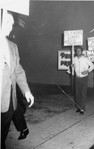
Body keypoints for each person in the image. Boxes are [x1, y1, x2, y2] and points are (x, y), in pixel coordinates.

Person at [1, 12, 34, 149]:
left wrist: (26, 91)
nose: (11, 27)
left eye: (12, 23)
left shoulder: (13, 46)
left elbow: (18, 71)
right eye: (8, 23)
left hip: (8, 101)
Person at [73, 46, 94, 114]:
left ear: (82, 52)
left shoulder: (85, 59)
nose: (78, 52)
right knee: (77, 94)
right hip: (77, 78)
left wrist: (87, 71)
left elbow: (93, 66)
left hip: (84, 78)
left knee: (83, 93)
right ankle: (78, 107)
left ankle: (82, 108)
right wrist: (72, 67)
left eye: (79, 51)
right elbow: (74, 67)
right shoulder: (74, 59)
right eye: (77, 51)